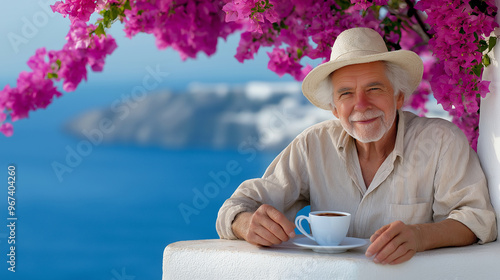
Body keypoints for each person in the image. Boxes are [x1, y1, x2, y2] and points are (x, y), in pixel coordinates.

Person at [216, 27, 497, 265]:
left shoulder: (440, 141)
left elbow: (476, 219)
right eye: (346, 93)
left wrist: (419, 237)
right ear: (335, 109)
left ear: (398, 97)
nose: (361, 105)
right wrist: (246, 224)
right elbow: (237, 207)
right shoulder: (313, 145)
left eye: (374, 88)